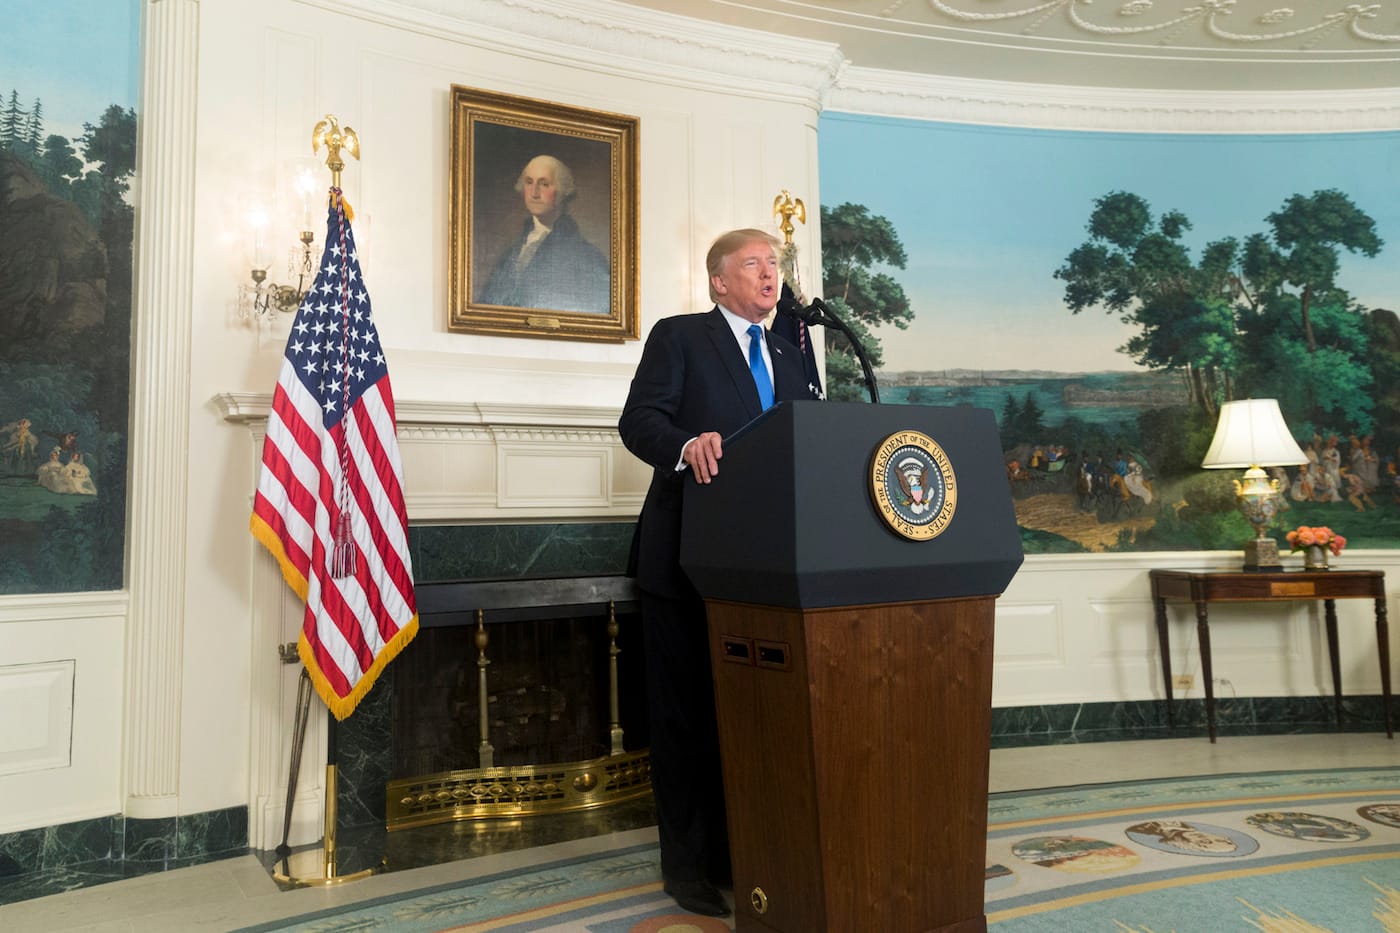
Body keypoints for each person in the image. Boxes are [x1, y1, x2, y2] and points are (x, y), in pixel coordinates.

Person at [617, 228, 815, 917]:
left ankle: (747, 853)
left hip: (768, 568)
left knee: (754, 719)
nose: (771, 273)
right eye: (754, 263)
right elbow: (638, 421)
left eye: (775, 263)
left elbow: (808, 442)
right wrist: (684, 443)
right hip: (684, 558)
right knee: (686, 719)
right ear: (719, 282)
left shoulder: (793, 353)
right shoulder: (681, 337)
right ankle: (690, 867)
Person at [478, 154, 609, 314]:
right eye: (529, 182)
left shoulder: (587, 257)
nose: (534, 193)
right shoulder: (512, 252)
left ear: (562, 191)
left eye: (544, 184)